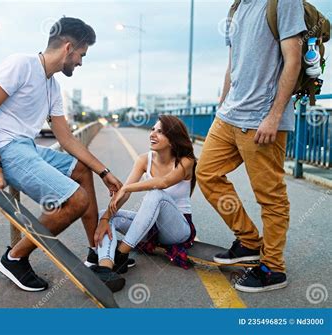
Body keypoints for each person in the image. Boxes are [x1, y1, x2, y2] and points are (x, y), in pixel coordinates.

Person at [0, 17, 123, 292]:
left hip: (25, 148)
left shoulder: (52, 85)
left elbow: (65, 138)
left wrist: (104, 172)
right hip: (3, 150)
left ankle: (95, 255)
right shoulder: (21, 64)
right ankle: (14, 258)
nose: (80, 63)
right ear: (68, 48)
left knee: (80, 169)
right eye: (81, 55)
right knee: (76, 200)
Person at [196, 0, 306, 292]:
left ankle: (273, 269)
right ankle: (247, 241)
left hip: (262, 119)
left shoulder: (282, 2)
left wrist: (274, 115)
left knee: (270, 197)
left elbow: (292, 60)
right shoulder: (236, 8)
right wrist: (221, 108)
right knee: (206, 173)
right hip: (229, 117)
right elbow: (232, 66)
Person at [91, 116, 197, 291]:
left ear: (173, 139)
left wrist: (126, 188)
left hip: (177, 229)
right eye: (153, 130)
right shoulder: (144, 160)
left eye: (160, 132)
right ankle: (106, 268)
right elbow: (123, 196)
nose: (153, 134)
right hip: (150, 227)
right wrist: (106, 217)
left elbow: (162, 182)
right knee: (104, 215)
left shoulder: (186, 161)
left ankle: (122, 253)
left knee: (156, 193)